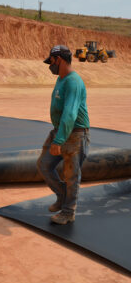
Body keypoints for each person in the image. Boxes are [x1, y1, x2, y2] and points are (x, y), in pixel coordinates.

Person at [37, 45, 90, 225]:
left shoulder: (73, 82)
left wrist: (59, 140)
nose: (49, 65)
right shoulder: (61, 79)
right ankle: (62, 196)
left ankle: (68, 211)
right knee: (44, 165)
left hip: (75, 134)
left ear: (59, 59)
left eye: (51, 61)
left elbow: (70, 113)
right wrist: (58, 134)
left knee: (71, 174)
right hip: (60, 129)